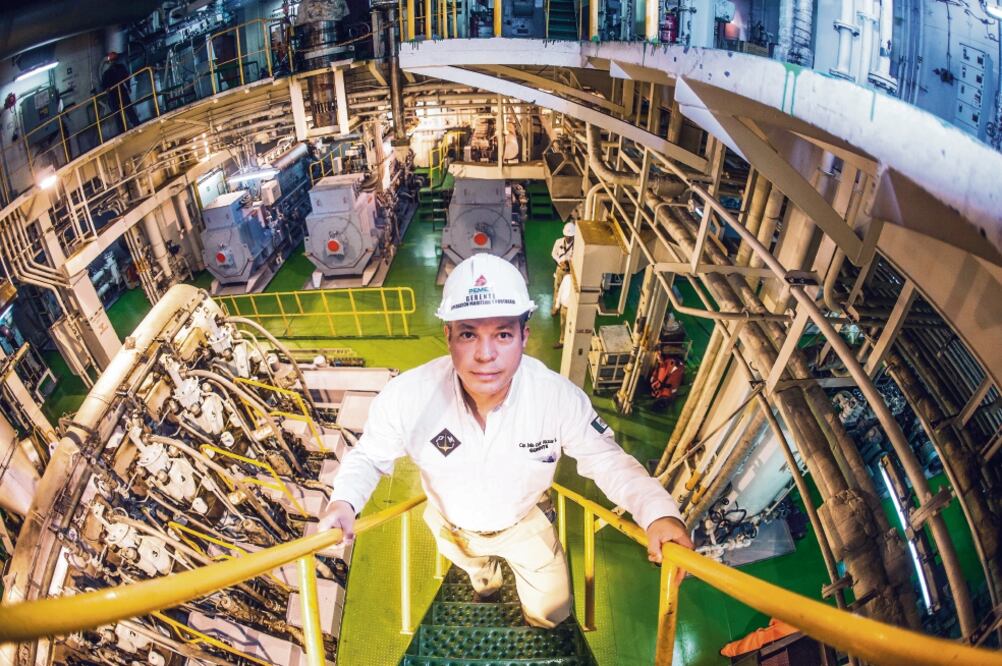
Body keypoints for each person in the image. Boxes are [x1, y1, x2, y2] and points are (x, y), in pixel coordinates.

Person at [318, 253, 693, 629]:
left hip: (524, 525)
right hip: (453, 529)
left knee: (551, 613)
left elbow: (607, 460)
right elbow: (369, 456)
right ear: (448, 336)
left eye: (502, 334)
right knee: (481, 580)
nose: (485, 355)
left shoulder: (555, 397)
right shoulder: (408, 397)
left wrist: (657, 513)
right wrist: (344, 502)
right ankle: (486, 582)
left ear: (524, 337)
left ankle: (538, 622)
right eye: (468, 334)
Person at [100, 52, 140, 132]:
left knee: (126, 110)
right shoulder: (110, 72)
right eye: (113, 60)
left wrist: (128, 87)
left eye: (113, 60)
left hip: (118, 92)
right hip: (115, 94)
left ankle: (132, 125)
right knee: (121, 112)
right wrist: (128, 87)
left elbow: (126, 77)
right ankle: (133, 125)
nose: (113, 62)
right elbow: (104, 86)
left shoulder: (109, 72)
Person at [550, 222, 575, 316]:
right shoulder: (558, 241)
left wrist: (568, 263)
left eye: (570, 236)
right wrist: (560, 261)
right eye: (566, 236)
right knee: (557, 288)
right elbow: (553, 253)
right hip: (560, 270)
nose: (568, 238)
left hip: (570, 272)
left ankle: (566, 306)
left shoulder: (576, 246)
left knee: (567, 290)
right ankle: (555, 307)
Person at [553, 272, 572, 349]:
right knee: (562, 325)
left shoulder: (577, 283)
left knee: (571, 327)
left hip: (571, 310)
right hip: (563, 307)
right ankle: (562, 341)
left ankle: (570, 344)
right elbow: (560, 290)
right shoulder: (567, 278)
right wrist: (557, 305)